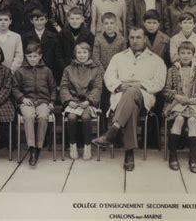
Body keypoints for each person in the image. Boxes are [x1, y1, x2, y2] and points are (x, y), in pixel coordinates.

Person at [92, 27, 167, 171]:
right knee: (130, 106)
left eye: (138, 37)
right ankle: (128, 153)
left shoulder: (156, 60)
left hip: (144, 96)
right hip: (121, 95)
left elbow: (159, 82)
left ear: (145, 39)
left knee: (132, 92)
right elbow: (109, 77)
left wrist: (140, 85)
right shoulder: (118, 57)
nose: (135, 41)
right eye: (132, 37)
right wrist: (120, 87)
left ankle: (113, 130)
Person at [163, 41, 196, 173]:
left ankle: (193, 158)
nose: (185, 56)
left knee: (193, 120)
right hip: (177, 102)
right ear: (178, 54)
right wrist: (177, 96)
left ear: (193, 55)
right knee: (179, 119)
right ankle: (173, 155)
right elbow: (166, 90)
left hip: (194, 103)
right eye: (182, 53)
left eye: (189, 53)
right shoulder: (172, 70)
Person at [12, 43, 57, 166]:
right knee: (29, 116)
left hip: (43, 101)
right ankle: (31, 149)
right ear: (26, 57)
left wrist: (52, 101)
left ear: (40, 56)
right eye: (30, 56)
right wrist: (22, 98)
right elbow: (15, 88)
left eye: (35, 56)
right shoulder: (20, 71)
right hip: (27, 101)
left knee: (43, 117)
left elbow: (53, 88)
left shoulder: (47, 71)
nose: (32, 59)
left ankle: (38, 147)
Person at [60, 43, 104, 160]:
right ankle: (72, 145)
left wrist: (89, 101)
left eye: (84, 52)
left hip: (88, 102)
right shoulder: (68, 69)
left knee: (86, 117)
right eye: (79, 52)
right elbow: (64, 86)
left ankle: (87, 145)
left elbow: (97, 87)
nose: (82, 55)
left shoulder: (95, 69)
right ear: (75, 54)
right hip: (73, 101)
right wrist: (69, 100)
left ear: (89, 53)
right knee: (71, 118)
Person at [92, 12, 127, 130]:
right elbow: (96, 58)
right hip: (102, 77)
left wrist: (114, 76)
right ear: (102, 25)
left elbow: (123, 59)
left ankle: (117, 133)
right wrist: (105, 75)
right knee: (105, 103)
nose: (109, 26)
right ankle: (103, 131)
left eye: (112, 23)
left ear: (116, 24)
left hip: (116, 77)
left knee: (117, 104)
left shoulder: (121, 40)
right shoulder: (98, 39)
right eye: (106, 23)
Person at [55, 7, 95, 80]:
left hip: (84, 69)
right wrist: (65, 68)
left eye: (77, 19)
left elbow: (92, 53)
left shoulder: (89, 35)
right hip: (66, 68)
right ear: (68, 19)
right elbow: (58, 54)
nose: (75, 21)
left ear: (82, 19)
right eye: (72, 19)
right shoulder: (61, 34)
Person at [21, 9, 57, 82]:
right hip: (31, 70)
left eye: (42, 19)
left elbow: (55, 56)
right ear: (32, 21)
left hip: (49, 70)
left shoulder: (54, 36)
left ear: (46, 20)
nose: (39, 22)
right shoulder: (25, 37)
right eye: (36, 20)